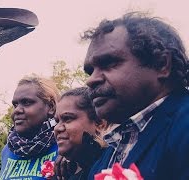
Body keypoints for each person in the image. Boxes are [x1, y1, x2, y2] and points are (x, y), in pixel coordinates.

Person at [81, 12, 189, 179]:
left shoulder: (183, 128)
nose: (91, 80)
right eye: (90, 71)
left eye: (109, 63)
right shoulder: (112, 148)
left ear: (161, 64)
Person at [0, 75, 60, 180]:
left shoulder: (65, 147)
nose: (16, 110)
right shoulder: (8, 150)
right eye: (15, 104)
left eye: (26, 102)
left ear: (51, 107)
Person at [54, 87, 107, 180]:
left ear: (99, 123)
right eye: (57, 121)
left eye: (67, 118)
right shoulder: (64, 171)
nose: (57, 128)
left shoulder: (111, 164)